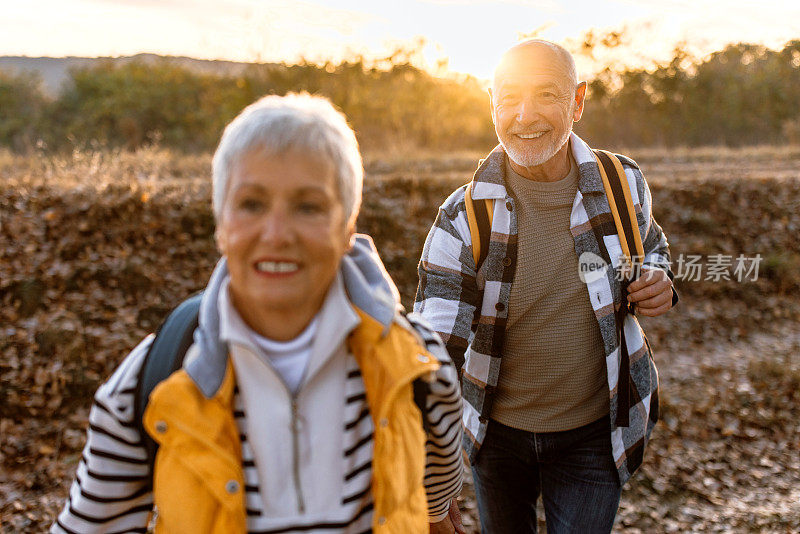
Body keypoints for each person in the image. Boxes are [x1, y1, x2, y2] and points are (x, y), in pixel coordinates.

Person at [52, 93, 464, 534]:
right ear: (221, 223)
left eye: (308, 207)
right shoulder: (153, 385)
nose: (277, 234)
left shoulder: (419, 366)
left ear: (348, 227)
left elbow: (434, 493)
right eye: (251, 204)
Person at [414, 40, 677, 533]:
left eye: (546, 96)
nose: (524, 114)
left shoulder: (624, 183)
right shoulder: (462, 219)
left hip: (595, 434)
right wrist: (427, 487)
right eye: (508, 97)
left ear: (577, 102)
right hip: (494, 435)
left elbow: (652, 249)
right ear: (491, 104)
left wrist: (660, 279)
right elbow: (433, 358)